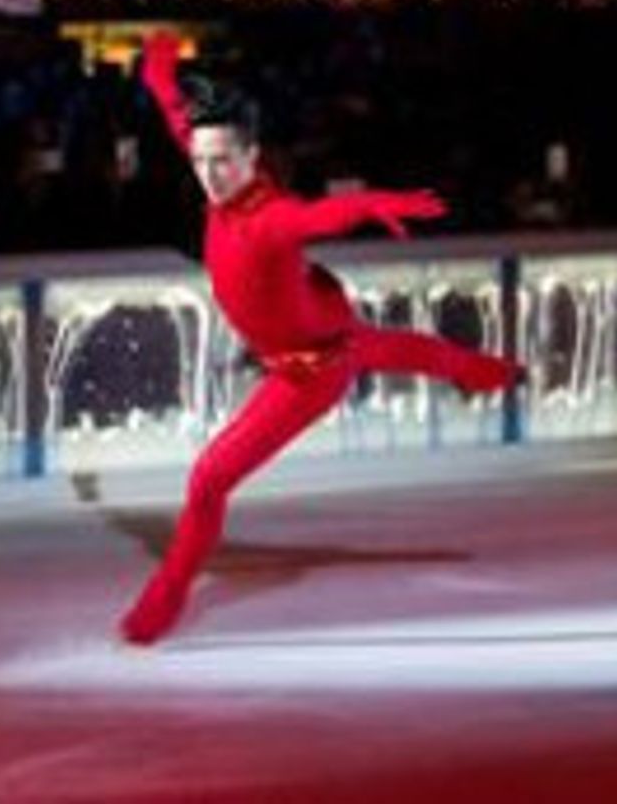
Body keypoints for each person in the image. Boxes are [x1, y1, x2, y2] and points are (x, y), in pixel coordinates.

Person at [119, 32, 524, 645]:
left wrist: (370, 203)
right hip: (318, 323)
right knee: (384, 347)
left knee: (208, 480)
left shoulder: (267, 220)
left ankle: (169, 593)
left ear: (252, 157)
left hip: (306, 370)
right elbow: (180, 123)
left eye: (222, 161)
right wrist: (159, 71)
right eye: (201, 162)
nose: (209, 174)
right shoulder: (220, 173)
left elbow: (315, 218)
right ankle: (483, 371)